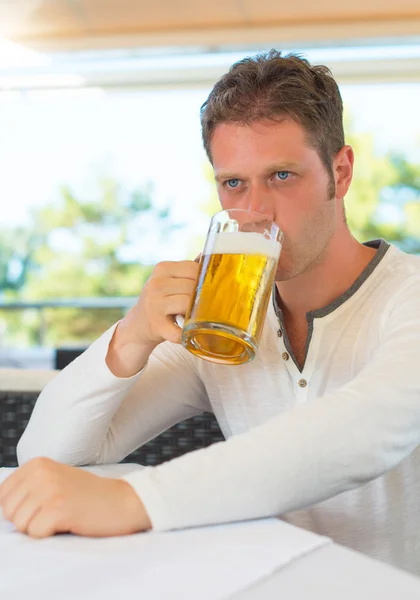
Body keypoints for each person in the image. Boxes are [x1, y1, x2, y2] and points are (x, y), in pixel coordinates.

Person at [1, 49, 420, 575]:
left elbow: (363, 430)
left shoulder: (409, 297)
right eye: (234, 183)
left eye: (283, 176)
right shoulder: (225, 325)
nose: (255, 210)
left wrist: (138, 501)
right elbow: (49, 456)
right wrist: (130, 336)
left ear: (340, 170)